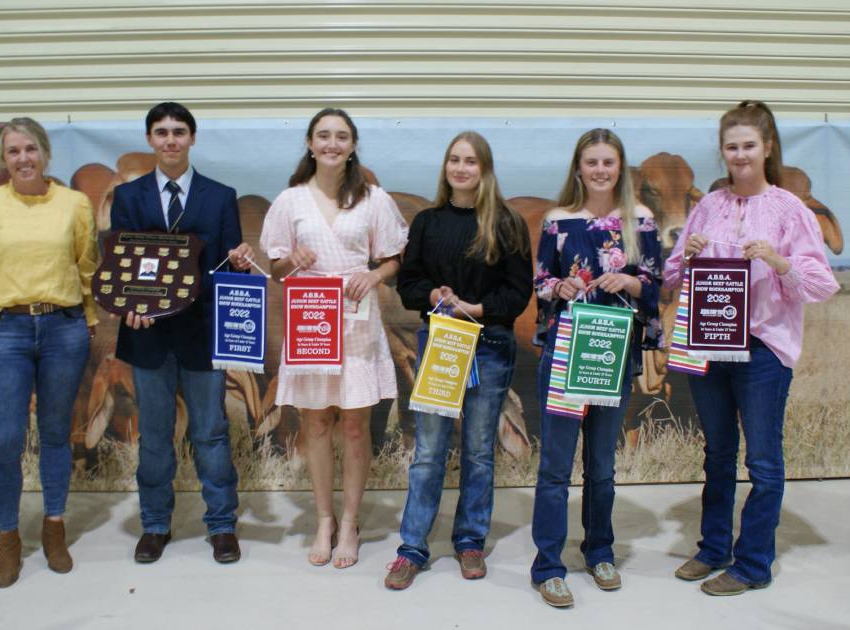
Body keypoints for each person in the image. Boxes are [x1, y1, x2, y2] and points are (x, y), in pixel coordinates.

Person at [663, 100, 838, 596]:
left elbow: (823, 283)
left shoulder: (790, 209)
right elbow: (673, 274)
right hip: (709, 343)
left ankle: (753, 562)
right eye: (731, 147)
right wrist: (688, 256)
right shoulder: (709, 206)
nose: (739, 155)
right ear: (723, 151)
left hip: (763, 348)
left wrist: (780, 262)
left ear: (767, 148)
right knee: (717, 452)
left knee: (762, 459)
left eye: (748, 146)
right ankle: (714, 547)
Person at [259, 107, 408, 569]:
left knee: (355, 425)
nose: (332, 143)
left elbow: (394, 257)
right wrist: (293, 262)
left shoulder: (374, 199)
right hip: (310, 323)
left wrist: (374, 274)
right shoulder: (289, 201)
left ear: (352, 145)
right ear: (309, 143)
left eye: (341, 136)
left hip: (358, 325)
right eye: (323, 135)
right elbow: (276, 269)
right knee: (316, 424)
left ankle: (349, 522)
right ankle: (323, 518)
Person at [384, 131, 532, 589]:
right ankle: (412, 546)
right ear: (446, 167)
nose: (461, 168)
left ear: (485, 169)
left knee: (479, 451)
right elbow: (407, 282)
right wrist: (431, 294)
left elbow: (517, 291)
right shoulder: (427, 222)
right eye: (454, 160)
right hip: (442, 343)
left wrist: (476, 308)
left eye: (470, 161)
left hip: (489, 345)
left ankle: (469, 541)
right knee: (428, 450)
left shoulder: (506, 223)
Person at [111, 102, 254, 565]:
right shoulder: (129, 198)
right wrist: (134, 307)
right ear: (150, 140)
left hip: (201, 331)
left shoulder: (220, 196)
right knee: (154, 435)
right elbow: (124, 266)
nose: (170, 140)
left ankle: (221, 524)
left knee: (210, 432)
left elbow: (229, 266)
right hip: (148, 335)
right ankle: (155, 523)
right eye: (161, 132)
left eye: (178, 131)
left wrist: (238, 263)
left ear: (192, 138)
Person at [0, 117, 99, 588]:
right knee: (4, 440)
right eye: (13, 151)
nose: (23, 158)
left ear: (45, 154)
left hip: (64, 329)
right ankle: (8, 539)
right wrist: (0, 309)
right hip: (9, 331)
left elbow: (86, 267)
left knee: (57, 434)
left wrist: (85, 320)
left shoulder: (74, 204)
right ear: (3, 158)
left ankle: (54, 527)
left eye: (30, 149)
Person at [529, 129, 663, 607]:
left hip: (611, 353)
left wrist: (628, 279)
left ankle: (599, 549)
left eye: (608, 162)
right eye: (592, 162)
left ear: (619, 167)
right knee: (555, 467)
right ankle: (547, 565)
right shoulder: (557, 221)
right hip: (566, 354)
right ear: (579, 168)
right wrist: (557, 288)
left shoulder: (640, 221)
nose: (600, 170)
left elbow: (654, 282)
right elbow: (540, 280)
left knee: (602, 466)